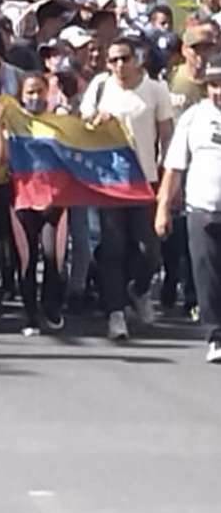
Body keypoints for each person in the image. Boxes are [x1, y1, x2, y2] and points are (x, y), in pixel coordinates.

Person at [80, 36, 173, 341]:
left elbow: (166, 134)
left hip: (145, 179)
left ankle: (139, 289)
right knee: (113, 249)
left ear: (137, 60)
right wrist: (97, 121)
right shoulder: (100, 87)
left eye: (125, 59)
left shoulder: (155, 90)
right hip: (110, 182)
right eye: (114, 60)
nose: (120, 65)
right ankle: (115, 312)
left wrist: (168, 174)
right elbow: (83, 127)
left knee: (149, 249)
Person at [0, 75, 70, 337]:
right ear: (21, 95)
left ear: (47, 93)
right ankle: (30, 316)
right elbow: (0, 158)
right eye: (29, 92)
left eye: (39, 91)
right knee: (26, 260)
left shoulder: (59, 122)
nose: (35, 97)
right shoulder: (14, 121)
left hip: (55, 200)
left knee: (54, 257)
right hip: (22, 199)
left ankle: (51, 305)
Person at [156, 54, 221, 363]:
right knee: (207, 276)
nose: (218, 91)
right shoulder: (194, 117)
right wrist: (163, 208)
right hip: (202, 209)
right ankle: (216, 336)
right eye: (213, 85)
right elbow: (174, 167)